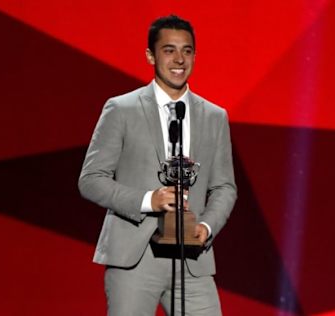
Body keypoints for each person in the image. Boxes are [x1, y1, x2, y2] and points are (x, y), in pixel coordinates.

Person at [78, 15, 237, 315]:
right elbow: (91, 179)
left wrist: (206, 226)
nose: (179, 59)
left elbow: (224, 186)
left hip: (192, 259)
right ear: (151, 55)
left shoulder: (215, 117)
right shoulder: (121, 109)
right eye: (169, 50)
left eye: (187, 50)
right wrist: (148, 200)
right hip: (134, 258)